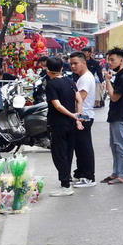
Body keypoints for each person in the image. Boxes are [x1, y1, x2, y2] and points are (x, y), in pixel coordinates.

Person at [43, 56, 82, 196]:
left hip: (58, 123)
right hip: (71, 124)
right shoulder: (70, 81)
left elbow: (57, 106)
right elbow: (79, 99)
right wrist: (78, 117)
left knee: (59, 154)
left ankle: (65, 185)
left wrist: (73, 116)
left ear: (48, 69)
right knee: (68, 152)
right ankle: (67, 180)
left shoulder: (51, 85)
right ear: (61, 68)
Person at [103, 48, 123, 185]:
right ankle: (116, 172)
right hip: (116, 113)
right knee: (115, 145)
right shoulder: (120, 74)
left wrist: (107, 81)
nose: (110, 62)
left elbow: (114, 97)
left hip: (120, 114)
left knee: (122, 146)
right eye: (109, 60)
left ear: (121, 60)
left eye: (112, 60)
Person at [68, 51, 98, 188]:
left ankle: (88, 177)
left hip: (84, 115)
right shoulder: (82, 77)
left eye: (75, 63)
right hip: (83, 115)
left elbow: (81, 98)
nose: (73, 66)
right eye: (71, 64)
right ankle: (82, 174)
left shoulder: (86, 78)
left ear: (84, 63)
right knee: (80, 148)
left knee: (84, 147)